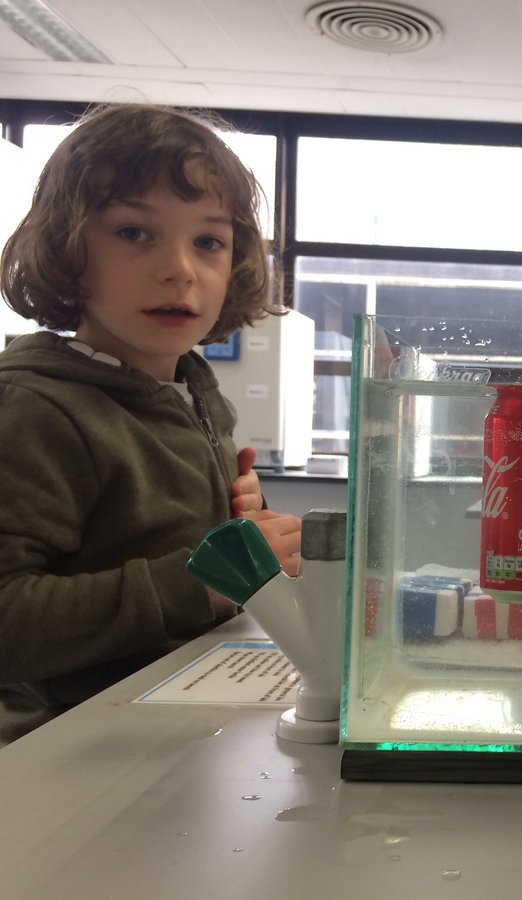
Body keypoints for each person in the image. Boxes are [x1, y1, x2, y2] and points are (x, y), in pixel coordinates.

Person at [0, 103, 303, 732]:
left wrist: (245, 522)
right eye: (135, 232)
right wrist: (210, 580)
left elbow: (153, 536)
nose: (180, 269)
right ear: (68, 247)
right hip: (62, 760)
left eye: (208, 241)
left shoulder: (194, 393)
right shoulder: (36, 409)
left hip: (176, 729)